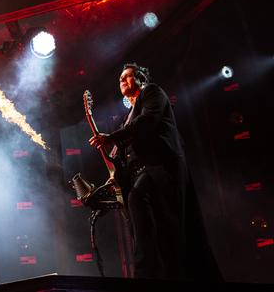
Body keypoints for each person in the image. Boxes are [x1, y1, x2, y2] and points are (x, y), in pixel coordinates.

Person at [89, 63, 221, 281]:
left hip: (162, 168)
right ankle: (155, 270)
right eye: (120, 78)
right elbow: (122, 155)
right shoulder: (126, 117)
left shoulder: (152, 93)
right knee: (147, 224)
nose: (122, 80)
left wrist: (112, 137)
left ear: (140, 79)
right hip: (143, 174)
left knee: (138, 198)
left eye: (127, 76)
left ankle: (146, 272)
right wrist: (109, 182)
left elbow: (147, 122)